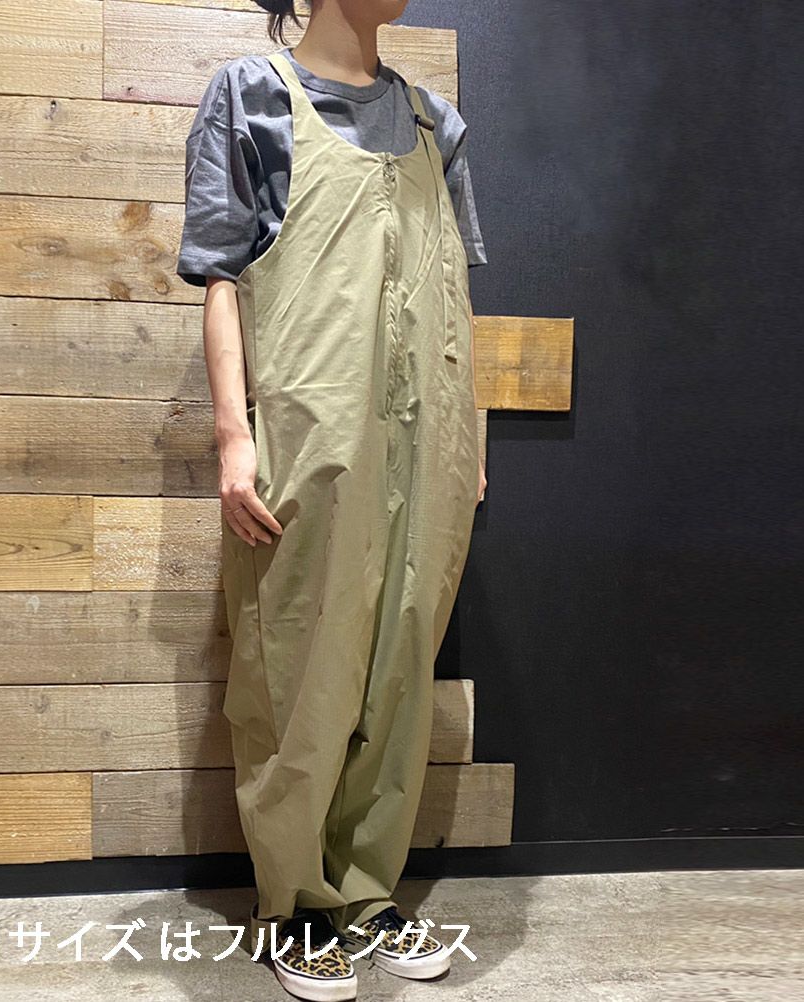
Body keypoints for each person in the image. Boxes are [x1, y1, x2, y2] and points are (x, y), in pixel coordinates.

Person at [177, 2, 487, 997]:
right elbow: (220, 277)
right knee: (301, 668)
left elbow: (454, 293)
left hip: (429, 438)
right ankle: (293, 905)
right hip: (312, 433)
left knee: (399, 668)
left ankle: (365, 893)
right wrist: (233, 436)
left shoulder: (437, 124)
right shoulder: (252, 97)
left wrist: (469, 436)